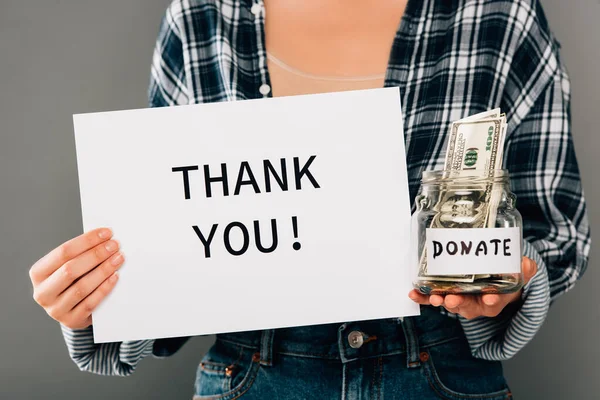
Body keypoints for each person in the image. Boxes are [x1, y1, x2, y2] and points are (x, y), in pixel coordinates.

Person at [29, 0, 591, 398]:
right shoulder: (201, 14)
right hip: (252, 376)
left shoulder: (498, 13)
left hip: (440, 370)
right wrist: (95, 296)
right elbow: (173, 235)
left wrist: (501, 281)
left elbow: (554, 228)